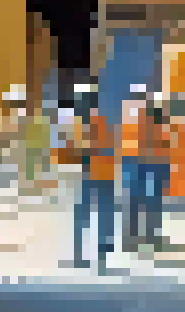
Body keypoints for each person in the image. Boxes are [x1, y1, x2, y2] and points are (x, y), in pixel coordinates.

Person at [59, 83, 119, 270]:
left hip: (99, 174)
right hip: (97, 174)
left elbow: (86, 149)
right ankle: (92, 254)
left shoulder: (93, 123)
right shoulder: (93, 122)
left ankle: (94, 254)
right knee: (93, 215)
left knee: (91, 215)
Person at [120, 85, 164, 250]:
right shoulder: (132, 110)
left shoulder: (154, 111)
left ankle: (146, 235)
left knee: (144, 198)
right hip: (138, 158)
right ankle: (139, 235)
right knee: (140, 198)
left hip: (147, 158)